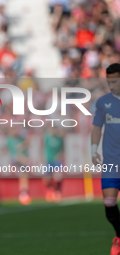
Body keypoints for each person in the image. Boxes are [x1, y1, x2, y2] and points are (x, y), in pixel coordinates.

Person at [91, 63, 120, 255]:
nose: (112, 84)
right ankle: (119, 236)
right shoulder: (103, 102)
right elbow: (96, 128)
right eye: (109, 81)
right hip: (111, 161)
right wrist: (94, 149)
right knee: (109, 204)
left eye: (115, 80)